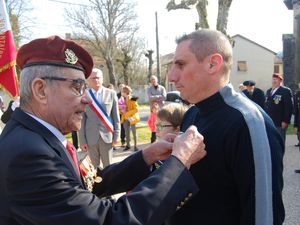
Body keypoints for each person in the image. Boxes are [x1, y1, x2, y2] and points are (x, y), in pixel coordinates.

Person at [0, 35, 207, 225]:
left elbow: (92, 182)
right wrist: (179, 163)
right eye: (77, 87)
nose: (86, 99)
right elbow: (108, 220)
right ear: (40, 90)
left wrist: (147, 155)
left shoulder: (36, 137)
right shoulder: (28, 154)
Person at [167, 29, 284, 225]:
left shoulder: (249, 122)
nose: (171, 76)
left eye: (181, 64)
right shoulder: (192, 114)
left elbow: (264, 216)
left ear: (213, 63)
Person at [79, 68, 120, 168]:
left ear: (102, 79)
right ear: (88, 80)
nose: (95, 80)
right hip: (90, 137)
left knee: (109, 167)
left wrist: (117, 136)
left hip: (107, 136)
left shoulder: (111, 94)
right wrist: (82, 140)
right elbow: (82, 119)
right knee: (93, 168)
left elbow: (116, 117)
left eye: (98, 78)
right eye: (93, 78)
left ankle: (109, 184)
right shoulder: (84, 95)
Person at [265, 73, 293, 144]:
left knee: (280, 141)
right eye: (273, 79)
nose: (274, 81)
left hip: (280, 122)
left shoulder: (285, 91)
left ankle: (280, 155)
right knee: (271, 140)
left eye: (276, 79)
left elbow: (288, 107)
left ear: (280, 81)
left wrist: (285, 121)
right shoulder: (269, 91)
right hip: (270, 121)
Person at [120, 85, 140, 151]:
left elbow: (136, 109)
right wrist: (121, 110)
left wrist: (127, 113)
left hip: (132, 118)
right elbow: (121, 108)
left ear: (125, 92)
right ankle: (128, 145)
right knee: (127, 132)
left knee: (134, 132)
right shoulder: (122, 99)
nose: (121, 93)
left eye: (122, 91)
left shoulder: (132, 99)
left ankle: (136, 146)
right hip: (125, 118)